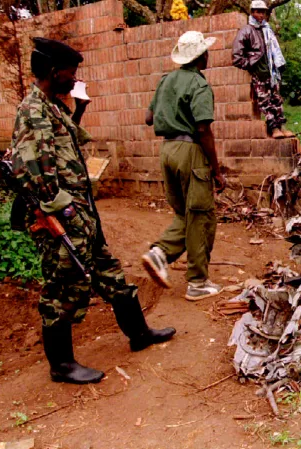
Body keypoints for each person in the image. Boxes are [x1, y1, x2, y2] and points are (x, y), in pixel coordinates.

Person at [10, 37, 176, 385]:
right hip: (62, 218)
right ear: (54, 73)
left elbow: (67, 143)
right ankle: (62, 365)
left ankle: (139, 333)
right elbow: (32, 169)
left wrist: (78, 109)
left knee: (109, 271)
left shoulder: (52, 105)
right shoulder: (33, 111)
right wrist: (61, 213)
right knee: (63, 286)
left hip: (80, 214)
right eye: (71, 73)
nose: (75, 79)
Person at [141, 31, 226, 301]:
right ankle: (197, 282)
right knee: (200, 216)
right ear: (200, 55)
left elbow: (148, 117)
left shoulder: (166, 81)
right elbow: (203, 129)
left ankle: (159, 254)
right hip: (190, 150)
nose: (208, 54)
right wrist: (216, 168)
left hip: (166, 150)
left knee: (183, 214)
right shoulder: (199, 85)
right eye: (206, 51)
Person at [232, 0, 294, 139]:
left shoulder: (267, 30)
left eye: (263, 12)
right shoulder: (246, 31)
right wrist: (251, 64)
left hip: (271, 72)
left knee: (276, 100)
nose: (261, 15)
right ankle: (273, 128)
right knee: (265, 102)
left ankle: (281, 126)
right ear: (252, 12)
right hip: (259, 73)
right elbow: (236, 57)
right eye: (258, 12)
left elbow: (274, 51)